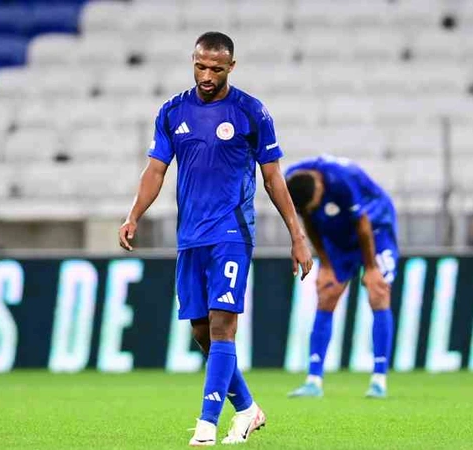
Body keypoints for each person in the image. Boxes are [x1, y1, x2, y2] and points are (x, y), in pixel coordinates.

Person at [119, 31, 313, 446]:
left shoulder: (250, 112)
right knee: (202, 332)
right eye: (201, 66)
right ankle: (248, 409)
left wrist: (297, 235)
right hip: (190, 236)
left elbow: (273, 178)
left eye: (216, 69)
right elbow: (156, 170)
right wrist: (134, 215)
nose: (207, 76)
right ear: (193, 62)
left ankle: (207, 424)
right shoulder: (173, 111)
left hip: (232, 233)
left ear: (231, 67)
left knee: (223, 326)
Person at [284, 155, 398, 399]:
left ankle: (379, 380)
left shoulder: (341, 179)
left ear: (321, 187)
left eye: (314, 205)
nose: (310, 210)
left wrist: (371, 268)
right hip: (338, 233)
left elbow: (362, 223)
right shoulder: (293, 181)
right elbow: (308, 220)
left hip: (375, 228)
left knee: (378, 291)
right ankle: (313, 381)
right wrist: (325, 264)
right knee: (327, 292)